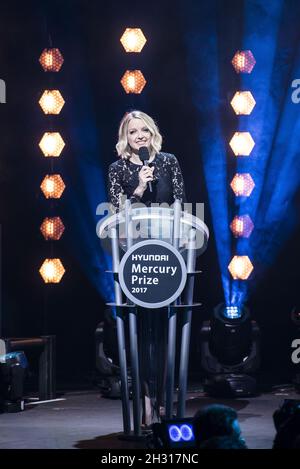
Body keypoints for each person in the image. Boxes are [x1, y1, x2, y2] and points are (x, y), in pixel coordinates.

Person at [107, 110, 186, 426]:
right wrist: (139, 188)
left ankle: (165, 397)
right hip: (135, 258)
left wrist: (179, 242)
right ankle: (147, 403)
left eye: (143, 130)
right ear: (125, 138)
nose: (139, 135)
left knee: (165, 330)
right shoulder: (118, 169)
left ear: (152, 132)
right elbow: (117, 212)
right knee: (141, 331)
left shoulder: (168, 161)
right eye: (132, 132)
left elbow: (181, 203)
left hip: (168, 256)